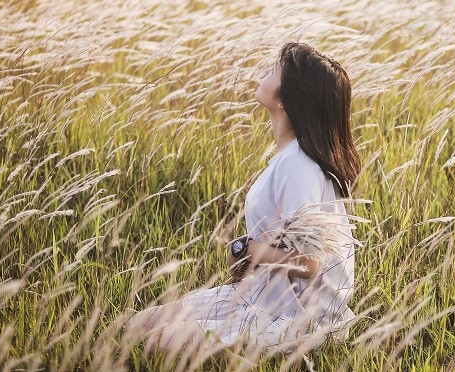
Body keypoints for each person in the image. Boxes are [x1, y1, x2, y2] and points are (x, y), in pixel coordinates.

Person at [124, 42, 362, 358]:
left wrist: (246, 250)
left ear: (289, 98)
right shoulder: (290, 157)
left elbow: (307, 263)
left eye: (277, 70)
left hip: (297, 318)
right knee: (137, 326)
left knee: (161, 342)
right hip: (260, 295)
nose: (268, 70)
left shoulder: (300, 165)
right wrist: (247, 256)